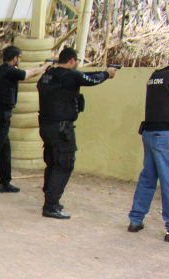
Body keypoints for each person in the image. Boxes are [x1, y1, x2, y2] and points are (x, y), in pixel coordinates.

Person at [36, 47, 115, 219]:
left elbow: (84, 75)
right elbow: (92, 79)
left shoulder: (48, 75)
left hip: (46, 125)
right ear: (72, 61)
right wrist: (107, 74)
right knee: (64, 164)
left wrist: (104, 72)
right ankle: (51, 205)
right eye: (77, 62)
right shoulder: (70, 75)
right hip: (61, 127)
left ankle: (50, 200)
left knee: (52, 163)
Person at [0, 46, 52, 198]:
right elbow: (30, 73)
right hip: (1, 117)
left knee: (4, 150)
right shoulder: (10, 71)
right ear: (15, 58)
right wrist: (45, 67)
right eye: (19, 59)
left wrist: (41, 66)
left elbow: (27, 70)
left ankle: (4, 183)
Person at [128, 49, 169, 240]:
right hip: (167, 135)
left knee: (148, 177)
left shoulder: (156, 76)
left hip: (149, 133)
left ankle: (135, 220)